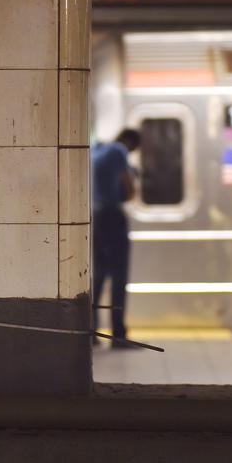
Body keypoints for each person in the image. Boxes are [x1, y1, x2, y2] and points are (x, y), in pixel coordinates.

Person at [91, 128, 141, 347]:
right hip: (113, 216)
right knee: (119, 278)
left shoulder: (96, 148)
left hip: (96, 217)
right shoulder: (119, 150)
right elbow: (130, 190)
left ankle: (91, 332)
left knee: (99, 276)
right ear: (130, 143)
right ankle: (118, 335)